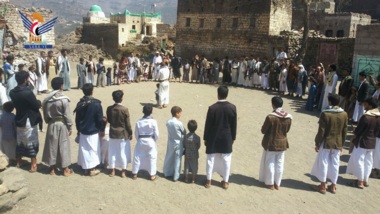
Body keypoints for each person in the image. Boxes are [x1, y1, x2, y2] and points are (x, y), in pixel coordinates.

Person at [310, 94, 348, 194]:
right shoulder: (344, 114)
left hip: (326, 142)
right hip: (338, 143)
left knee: (324, 162)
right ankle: (333, 186)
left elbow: (321, 131)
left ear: (329, 102)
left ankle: (322, 186)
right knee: (335, 164)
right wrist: (342, 144)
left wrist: (317, 142)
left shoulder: (325, 114)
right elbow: (345, 131)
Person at [204, 86, 237, 189]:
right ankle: (225, 181)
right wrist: (233, 137)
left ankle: (209, 180)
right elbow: (234, 125)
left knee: (211, 158)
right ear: (227, 94)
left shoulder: (212, 108)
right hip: (226, 137)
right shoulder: (232, 107)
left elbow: (208, 124)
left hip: (213, 136)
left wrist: (206, 138)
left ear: (218, 94)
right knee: (226, 160)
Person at [9, 71, 42, 172]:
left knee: (20, 141)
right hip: (28, 119)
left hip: (19, 118)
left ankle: (19, 161)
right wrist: (39, 102)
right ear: (25, 80)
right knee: (31, 141)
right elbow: (36, 105)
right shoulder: (27, 92)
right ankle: (33, 165)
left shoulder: (12, 92)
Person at [259, 96, 292, 190]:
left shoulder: (271, 117)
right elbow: (287, 130)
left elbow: (263, 130)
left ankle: (270, 183)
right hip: (283, 143)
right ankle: (277, 183)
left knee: (270, 162)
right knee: (280, 163)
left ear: (273, 104)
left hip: (271, 143)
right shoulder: (288, 117)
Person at [41, 77, 73, 176]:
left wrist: (48, 121)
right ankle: (65, 169)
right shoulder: (63, 99)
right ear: (61, 86)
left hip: (52, 124)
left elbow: (45, 114)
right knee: (63, 145)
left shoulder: (47, 99)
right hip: (62, 124)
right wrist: (70, 126)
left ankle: (52, 168)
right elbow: (67, 115)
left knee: (51, 145)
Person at [347, 98, 380, 188]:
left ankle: (360, 181)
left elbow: (358, 131)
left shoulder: (366, 117)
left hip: (362, 142)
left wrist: (353, 138)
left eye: (366, 104)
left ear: (370, 105)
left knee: (359, 160)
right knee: (368, 162)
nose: (365, 106)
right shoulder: (378, 117)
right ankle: (365, 180)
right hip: (372, 143)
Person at [74, 83, 105, 176]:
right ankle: (92, 169)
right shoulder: (96, 104)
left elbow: (77, 119)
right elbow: (99, 118)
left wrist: (78, 129)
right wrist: (102, 129)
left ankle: (86, 168)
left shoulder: (80, 103)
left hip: (83, 130)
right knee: (93, 150)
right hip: (93, 130)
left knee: (84, 149)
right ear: (92, 91)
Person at [106, 90, 133, 177]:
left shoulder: (109, 108)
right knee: (123, 152)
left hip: (113, 132)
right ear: (121, 98)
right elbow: (128, 124)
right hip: (122, 133)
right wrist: (130, 133)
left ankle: (112, 170)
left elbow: (109, 120)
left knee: (112, 152)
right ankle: (123, 171)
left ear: (113, 98)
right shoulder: (125, 109)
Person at [132, 105, 159, 180]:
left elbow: (136, 133)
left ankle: (135, 173)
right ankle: (152, 175)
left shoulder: (139, 122)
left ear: (143, 111)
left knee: (137, 156)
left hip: (141, 139)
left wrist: (139, 140)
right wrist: (154, 140)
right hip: (150, 140)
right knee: (152, 157)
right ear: (151, 112)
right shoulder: (153, 121)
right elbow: (156, 133)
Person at [163, 106, 186, 181]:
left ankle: (167, 173)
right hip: (178, 142)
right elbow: (184, 132)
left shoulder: (168, 122)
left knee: (169, 157)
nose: (180, 114)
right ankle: (176, 176)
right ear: (177, 113)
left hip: (170, 142)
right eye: (180, 113)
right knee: (177, 159)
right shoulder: (179, 123)